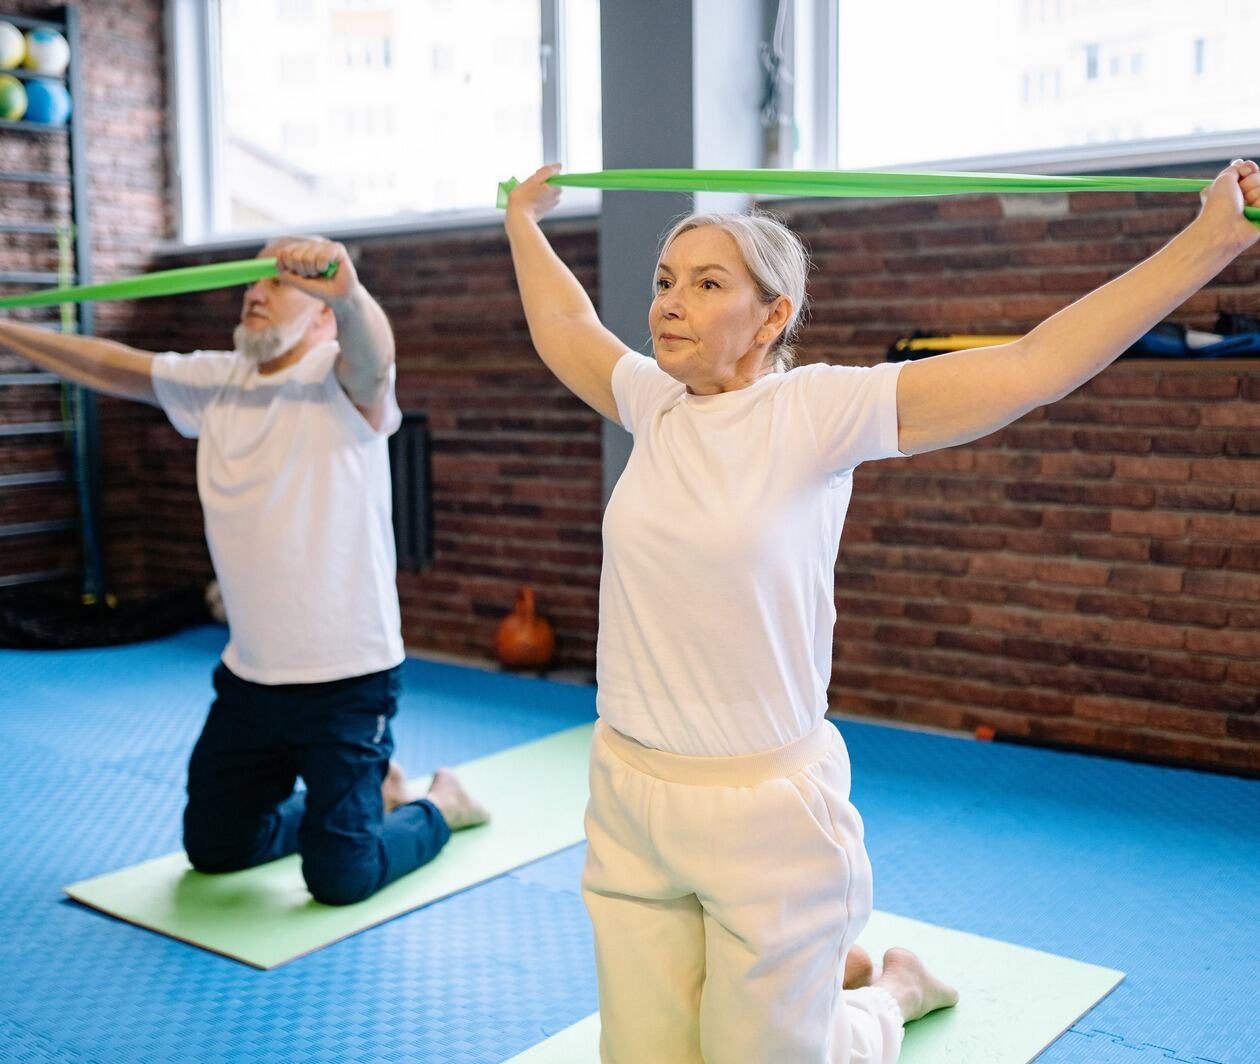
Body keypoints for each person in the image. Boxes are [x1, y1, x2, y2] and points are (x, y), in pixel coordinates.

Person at [503, 158, 1260, 1062]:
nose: (669, 301)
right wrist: (523, 217)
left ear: (772, 316)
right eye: (665, 281)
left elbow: (1032, 367)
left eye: (708, 284)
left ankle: (892, 993)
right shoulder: (652, 402)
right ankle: (820, 976)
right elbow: (563, 325)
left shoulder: (816, 411)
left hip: (764, 814)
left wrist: (1213, 238)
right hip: (627, 791)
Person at [0, 237, 488, 905]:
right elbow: (112, 364)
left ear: (321, 317)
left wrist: (347, 294)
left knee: (339, 879)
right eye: (251, 283)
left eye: (278, 284)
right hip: (251, 683)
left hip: (348, 685)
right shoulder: (217, 381)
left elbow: (375, 360)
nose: (255, 293)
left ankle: (438, 805)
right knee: (217, 850)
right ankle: (363, 799)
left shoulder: (341, 382)